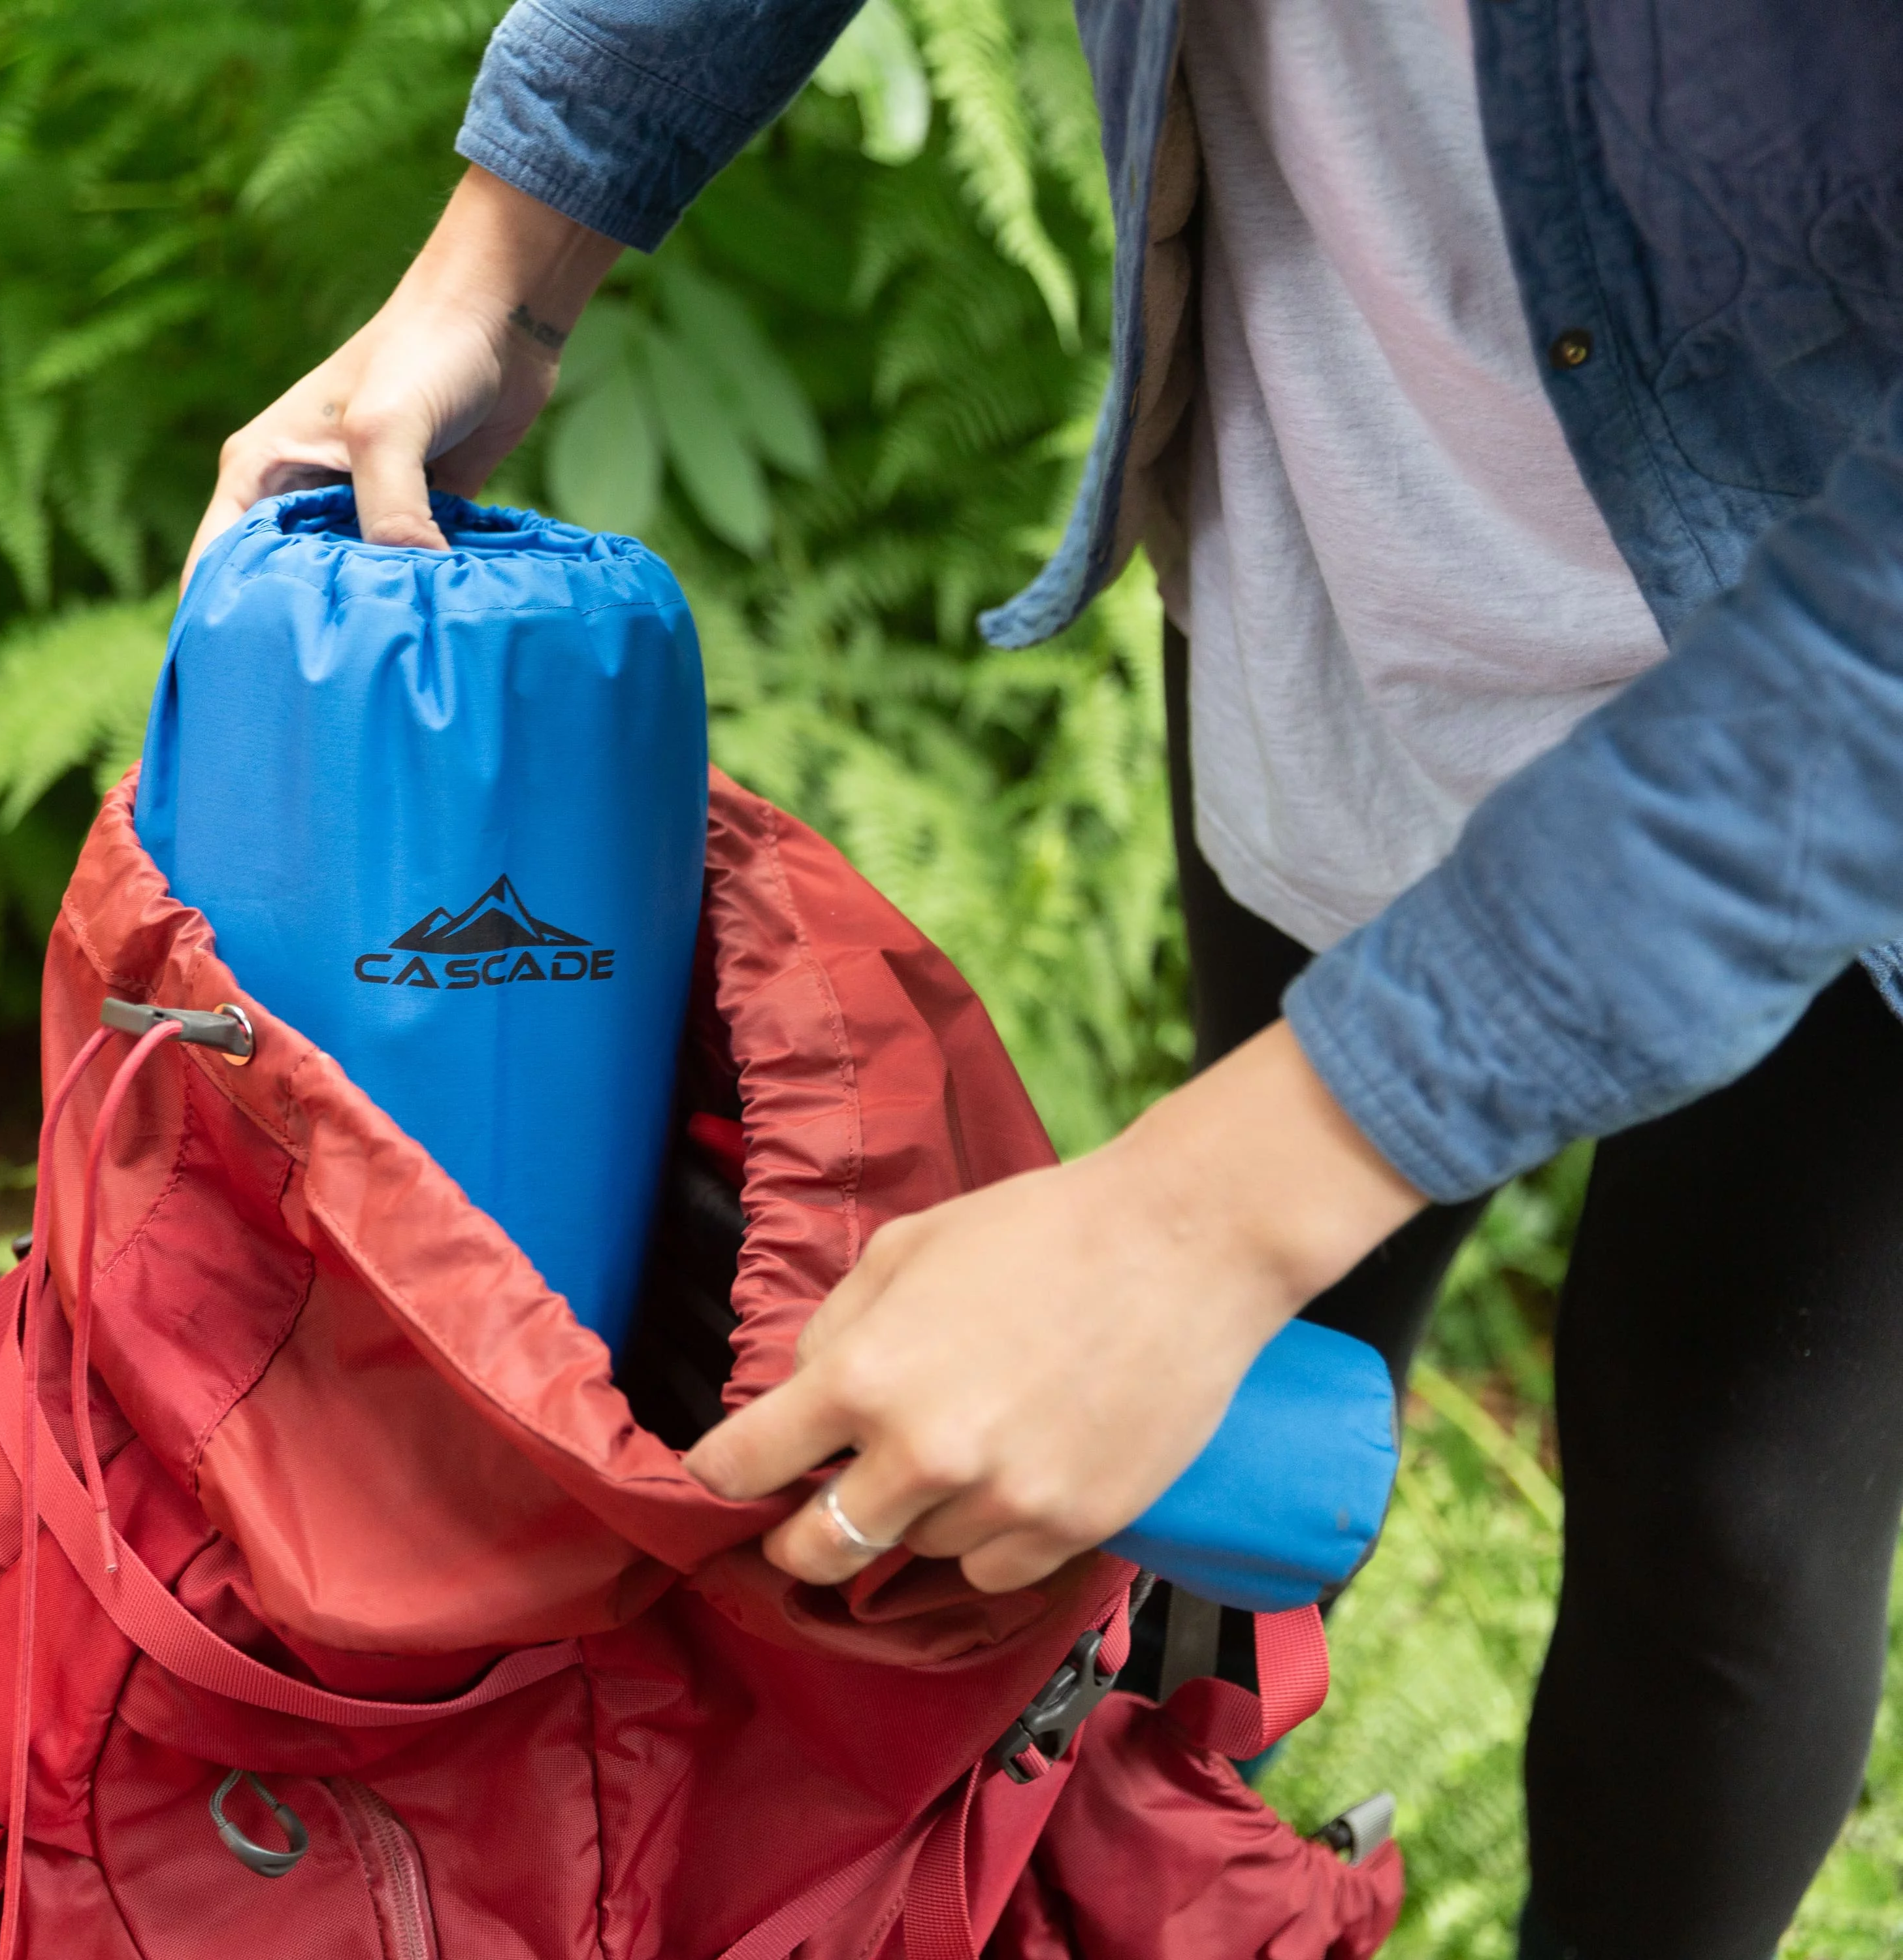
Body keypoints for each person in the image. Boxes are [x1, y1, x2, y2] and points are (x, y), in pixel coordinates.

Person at [189, 4, 1903, 1956]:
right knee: (1241, 1387)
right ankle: (1156, 1881)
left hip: (1825, 740)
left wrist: (1208, 1213)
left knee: (1722, 1504)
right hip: (1348, 548)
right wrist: (501, 263)